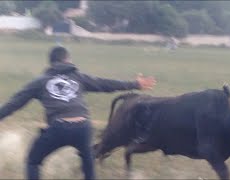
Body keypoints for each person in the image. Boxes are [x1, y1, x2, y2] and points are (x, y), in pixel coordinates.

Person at [0, 46, 156, 180]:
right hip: (83, 128)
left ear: (51, 62)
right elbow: (105, 84)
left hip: (58, 128)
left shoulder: (40, 81)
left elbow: (14, 103)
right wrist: (135, 84)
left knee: (33, 161)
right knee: (88, 162)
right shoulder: (78, 77)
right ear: (67, 60)